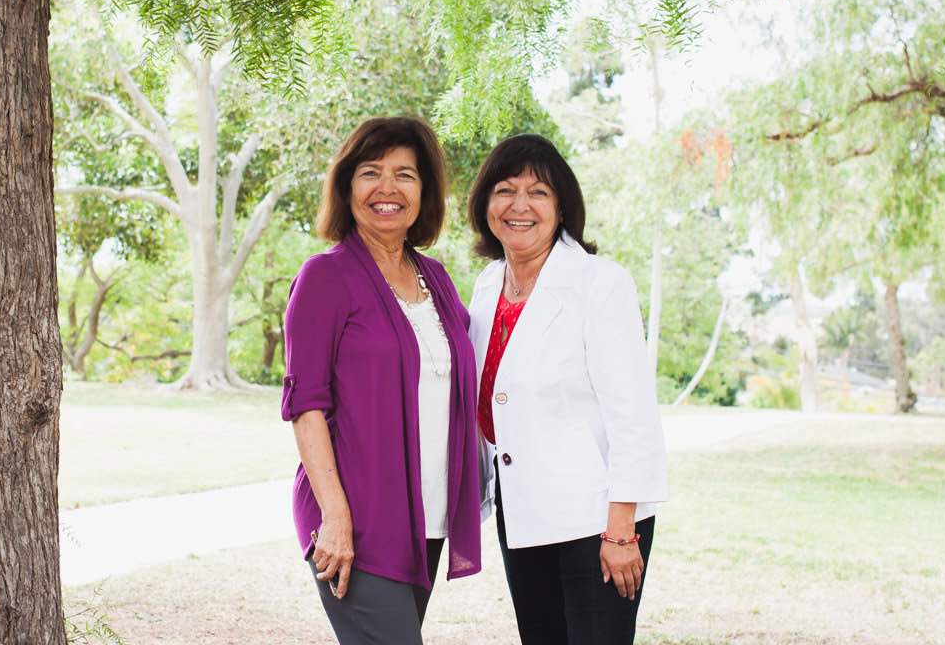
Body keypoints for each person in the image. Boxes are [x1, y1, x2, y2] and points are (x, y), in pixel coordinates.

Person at [281, 116, 482, 644]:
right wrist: (336, 517)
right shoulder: (324, 277)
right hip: (355, 524)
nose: (387, 188)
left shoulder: (436, 278)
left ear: (424, 192)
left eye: (405, 175)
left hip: (425, 522)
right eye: (371, 172)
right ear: (348, 187)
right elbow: (306, 407)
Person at [467, 134, 668, 645]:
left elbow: (634, 417)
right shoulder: (488, 285)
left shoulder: (600, 283)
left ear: (561, 207)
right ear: (485, 203)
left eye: (538, 192)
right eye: (505, 190)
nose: (519, 205)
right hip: (523, 509)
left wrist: (621, 528)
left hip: (596, 520)